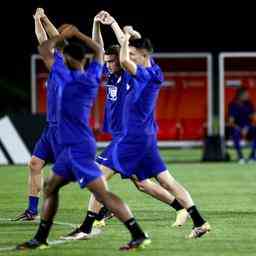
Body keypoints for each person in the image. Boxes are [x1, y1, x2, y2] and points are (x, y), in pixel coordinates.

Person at [62, 12, 210, 241]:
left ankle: (88, 226)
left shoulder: (135, 74)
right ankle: (196, 218)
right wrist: (98, 24)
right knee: (154, 182)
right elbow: (101, 50)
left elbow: (126, 54)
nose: (111, 63)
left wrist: (119, 30)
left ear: (139, 55)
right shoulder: (117, 72)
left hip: (131, 137)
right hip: (135, 136)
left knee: (97, 176)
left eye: (124, 56)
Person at [16, 24, 150, 251]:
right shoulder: (90, 77)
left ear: (66, 59)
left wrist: (61, 37)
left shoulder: (62, 76)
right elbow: (98, 51)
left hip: (75, 147)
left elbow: (44, 49)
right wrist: (77, 34)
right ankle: (40, 238)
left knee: (102, 194)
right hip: (76, 145)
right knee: (50, 187)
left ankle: (137, 233)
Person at [14, 8, 62, 221]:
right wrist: (43, 18)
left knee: (79, 173)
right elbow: (52, 39)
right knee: (34, 163)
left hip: (65, 130)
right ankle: (32, 210)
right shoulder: (60, 64)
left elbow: (46, 39)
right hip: (50, 127)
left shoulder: (69, 70)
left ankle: (103, 206)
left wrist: (37, 19)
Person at [228, 88, 256, 163]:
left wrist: (247, 127)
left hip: (248, 128)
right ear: (240, 95)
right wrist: (240, 129)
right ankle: (240, 157)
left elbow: (254, 118)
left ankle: (252, 157)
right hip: (237, 129)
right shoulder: (233, 105)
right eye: (246, 94)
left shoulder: (249, 104)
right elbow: (231, 122)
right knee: (235, 132)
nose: (248, 95)